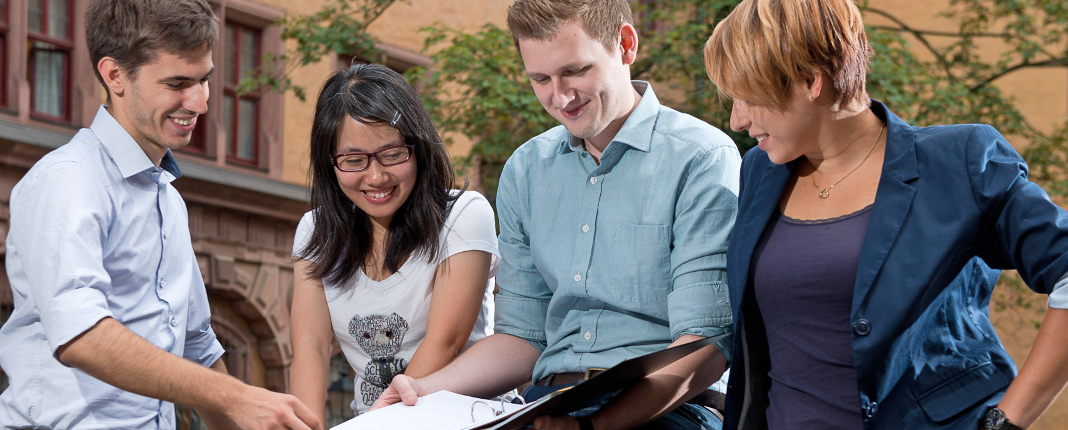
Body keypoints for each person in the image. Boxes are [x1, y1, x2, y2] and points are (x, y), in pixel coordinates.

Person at [373, 0, 740, 429]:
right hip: (546, 405)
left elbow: (705, 347)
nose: (560, 97)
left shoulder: (701, 158)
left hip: (667, 409)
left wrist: (591, 428)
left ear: (625, 44)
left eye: (575, 71)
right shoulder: (526, 170)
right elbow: (523, 338)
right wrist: (421, 389)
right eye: (541, 79)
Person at [703, 0, 1068, 428]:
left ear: (809, 81)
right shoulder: (760, 171)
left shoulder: (958, 162)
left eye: (747, 96)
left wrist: (1005, 422)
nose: (736, 120)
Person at [0, 1, 322, 429]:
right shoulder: (68, 181)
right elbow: (81, 336)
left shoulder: (166, 197)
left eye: (204, 80)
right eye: (177, 82)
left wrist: (241, 408)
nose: (200, 102)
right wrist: (239, 396)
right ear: (114, 75)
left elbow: (196, 345)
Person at [288, 63, 500, 422]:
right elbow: (310, 348)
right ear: (330, 164)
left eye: (392, 154)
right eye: (354, 160)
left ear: (417, 147)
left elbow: (444, 343)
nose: (376, 176)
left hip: (463, 418)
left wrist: (377, 424)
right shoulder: (315, 230)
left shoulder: (464, 215)